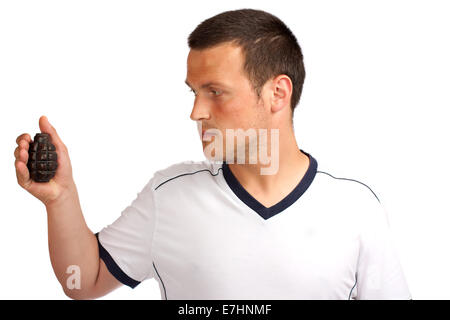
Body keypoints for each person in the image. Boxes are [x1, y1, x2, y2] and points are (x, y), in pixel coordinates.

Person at [14, 9, 411, 300]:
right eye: (194, 91)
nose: (196, 112)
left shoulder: (355, 208)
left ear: (278, 93)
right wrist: (61, 199)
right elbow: (80, 282)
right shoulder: (168, 197)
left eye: (215, 91)